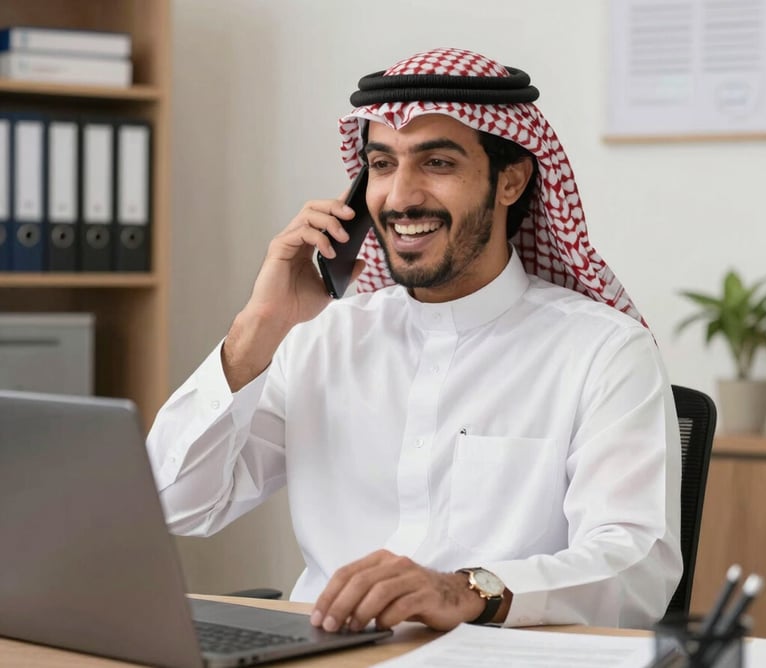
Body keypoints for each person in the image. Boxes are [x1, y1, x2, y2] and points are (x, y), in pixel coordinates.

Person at [147, 47, 682, 634]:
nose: (400, 197)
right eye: (381, 165)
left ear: (511, 181)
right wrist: (258, 327)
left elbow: (635, 569)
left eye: (438, 164)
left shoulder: (602, 351)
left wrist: (469, 590)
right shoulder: (321, 339)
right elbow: (178, 505)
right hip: (327, 652)